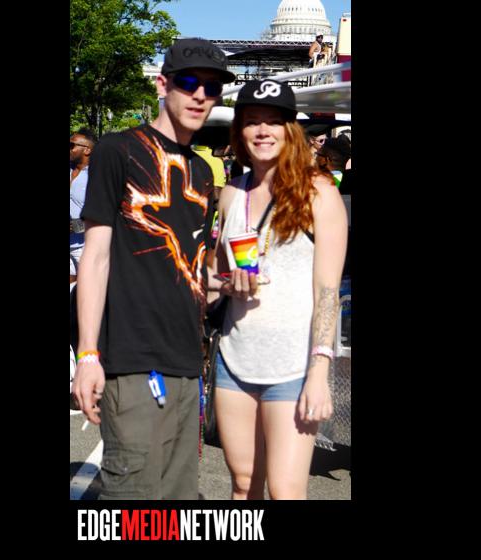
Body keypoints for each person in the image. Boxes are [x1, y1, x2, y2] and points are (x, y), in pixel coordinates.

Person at [71, 37, 236, 500]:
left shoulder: (202, 172)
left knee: (176, 504)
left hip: (186, 361)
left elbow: (189, 268)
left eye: (212, 87)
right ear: (163, 84)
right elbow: (96, 256)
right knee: (134, 503)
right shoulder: (118, 150)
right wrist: (87, 356)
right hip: (132, 357)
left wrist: (227, 283)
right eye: (189, 82)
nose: (200, 95)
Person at [207, 79, 348, 499]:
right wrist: (225, 284)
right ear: (240, 131)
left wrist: (319, 374)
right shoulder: (232, 193)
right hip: (234, 361)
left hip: (294, 367)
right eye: (252, 121)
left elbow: (327, 292)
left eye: (273, 121)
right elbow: (214, 277)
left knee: (285, 491)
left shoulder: (319, 192)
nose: (263, 131)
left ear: (291, 131)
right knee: (243, 483)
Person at [70, 128, 97, 283]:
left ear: (87, 150)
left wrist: (76, 226)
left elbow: (106, 211)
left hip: (85, 247)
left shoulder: (96, 175)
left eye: (72, 145)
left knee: (86, 289)